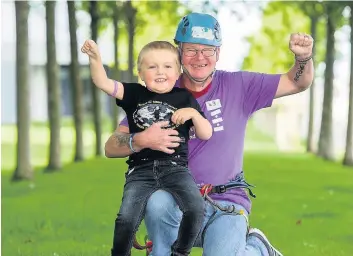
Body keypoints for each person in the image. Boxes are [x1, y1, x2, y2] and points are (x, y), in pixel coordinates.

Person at [105, 12, 314, 256]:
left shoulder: (240, 86)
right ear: (179, 51)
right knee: (158, 204)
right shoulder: (157, 93)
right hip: (174, 202)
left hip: (227, 203)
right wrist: (139, 140)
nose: (200, 58)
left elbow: (297, 82)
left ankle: (258, 249)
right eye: (192, 50)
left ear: (218, 53)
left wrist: (303, 59)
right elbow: (111, 146)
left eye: (208, 50)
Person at [81, 39, 213, 256]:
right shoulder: (134, 94)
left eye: (167, 66)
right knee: (126, 218)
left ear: (178, 71)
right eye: (152, 67)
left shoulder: (184, 98)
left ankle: (179, 252)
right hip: (140, 171)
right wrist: (95, 58)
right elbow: (102, 82)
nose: (160, 72)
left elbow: (206, 133)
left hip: (175, 168)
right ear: (141, 73)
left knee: (195, 208)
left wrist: (194, 114)